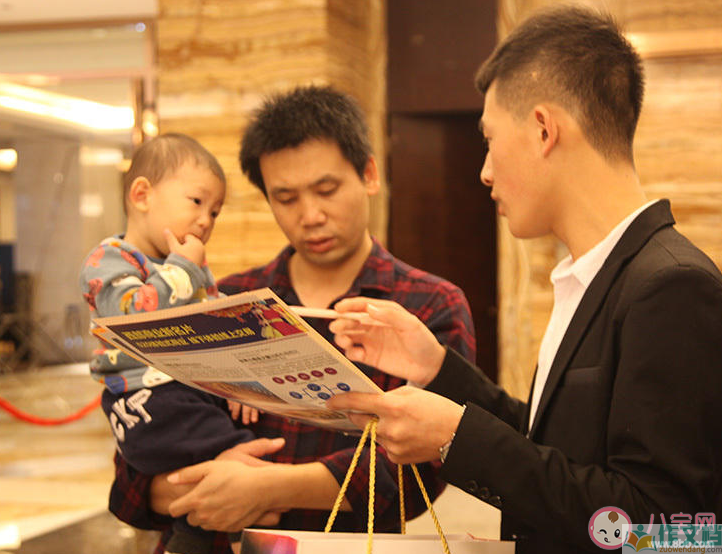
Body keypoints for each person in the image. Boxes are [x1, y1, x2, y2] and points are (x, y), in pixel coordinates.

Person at [326, 6, 722, 553]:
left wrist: (455, 438)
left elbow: (661, 532)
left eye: (489, 139)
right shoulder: (594, 275)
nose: (485, 170)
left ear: (542, 129)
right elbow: (551, 446)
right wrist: (437, 368)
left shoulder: (671, 286)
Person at [108, 86, 476, 554]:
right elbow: (137, 454)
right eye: (285, 198)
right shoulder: (224, 300)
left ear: (368, 174)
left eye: (326, 190)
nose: (310, 215)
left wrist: (269, 489)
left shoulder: (427, 305)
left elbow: (423, 471)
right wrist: (203, 493)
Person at [80, 133, 261, 554]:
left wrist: (241, 378)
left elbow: (213, 326)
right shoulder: (110, 260)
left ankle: (200, 536)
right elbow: (131, 314)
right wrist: (183, 268)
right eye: (196, 202)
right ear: (142, 195)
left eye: (214, 211)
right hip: (148, 399)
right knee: (234, 456)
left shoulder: (190, 267)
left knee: (216, 468)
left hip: (190, 389)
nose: (205, 221)